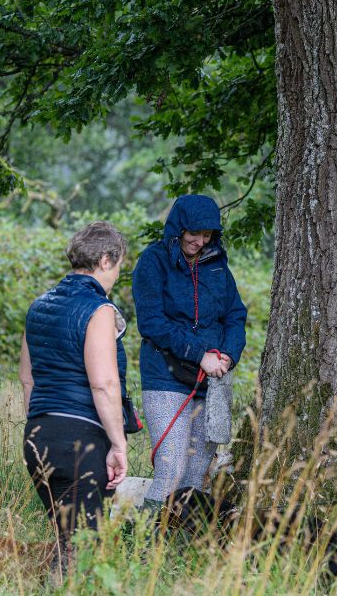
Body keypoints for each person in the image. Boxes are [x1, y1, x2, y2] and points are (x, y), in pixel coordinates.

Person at [19, 221, 130, 568]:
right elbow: (104, 384)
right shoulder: (99, 310)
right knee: (83, 548)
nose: (117, 275)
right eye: (119, 265)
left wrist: (42, 429)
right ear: (106, 260)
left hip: (38, 436)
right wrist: (118, 444)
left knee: (67, 541)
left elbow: (27, 379)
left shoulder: (39, 306)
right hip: (81, 440)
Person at [132, 194, 247, 510]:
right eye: (194, 233)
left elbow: (235, 315)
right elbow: (151, 322)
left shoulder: (218, 265)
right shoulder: (153, 261)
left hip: (212, 380)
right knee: (171, 467)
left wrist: (228, 355)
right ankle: (146, 534)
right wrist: (200, 355)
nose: (200, 241)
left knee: (196, 474)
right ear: (178, 229)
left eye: (207, 235)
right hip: (165, 376)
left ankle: (182, 537)